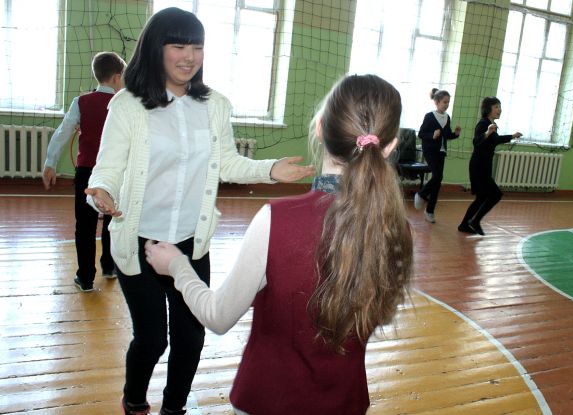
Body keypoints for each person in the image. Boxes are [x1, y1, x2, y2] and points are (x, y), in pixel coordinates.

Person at [84, 7, 314, 415]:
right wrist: (102, 190)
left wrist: (270, 169)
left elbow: (227, 162)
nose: (189, 56)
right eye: (178, 46)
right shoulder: (128, 105)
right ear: (156, 48)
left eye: (197, 47)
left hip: (192, 242)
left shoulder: (215, 105)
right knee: (152, 339)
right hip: (138, 242)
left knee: (191, 338)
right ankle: (134, 400)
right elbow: (109, 168)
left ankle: (174, 408)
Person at [144, 74, 414, 415]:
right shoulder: (397, 228)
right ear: (389, 146)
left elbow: (218, 317)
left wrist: (177, 266)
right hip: (345, 402)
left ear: (320, 128)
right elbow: (381, 314)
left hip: (266, 400)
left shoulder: (276, 220)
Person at [42, 51, 126, 292]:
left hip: (87, 173)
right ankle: (109, 267)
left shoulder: (81, 102)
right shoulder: (124, 104)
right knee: (113, 220)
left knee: (85, 225)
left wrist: (50, 163)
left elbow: (62, 132)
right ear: (117, 77)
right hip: (116, 173)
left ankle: (86, 277)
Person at [458, 97, 522, 235]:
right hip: (478, 166)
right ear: (488, 109)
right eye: (496, 107)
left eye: (500, 107)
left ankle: (464, 225)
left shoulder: (491, 124)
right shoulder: (483, 124)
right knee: (496, 194)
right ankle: (475, 221)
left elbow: (496, 140)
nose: (499, 110)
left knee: (481, 197)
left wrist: (512, 136)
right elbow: (476, 142)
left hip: (484, 166)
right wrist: (487, 132)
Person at [414, 88, 461, 223]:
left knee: (437, 181)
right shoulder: (429, 116)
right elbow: (421, 134)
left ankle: (430, 211)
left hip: (441, 152)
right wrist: (432, 135)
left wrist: (455, 134)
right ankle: (421, 194)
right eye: (445, 102)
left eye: (448, 102)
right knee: (438, 177)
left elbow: (446, 135)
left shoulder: (447, 117)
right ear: (437, 102)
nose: (447, 104)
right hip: (430, 150)